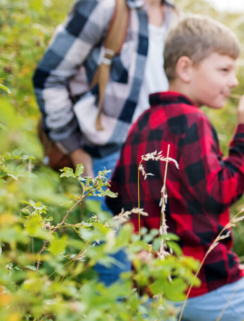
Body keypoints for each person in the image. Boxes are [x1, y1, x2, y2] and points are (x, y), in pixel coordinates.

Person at [105, 15, 244, 321]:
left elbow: (114, 198)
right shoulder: (193, 121)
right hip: (205, 280)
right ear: (185, 69)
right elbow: (219, 193)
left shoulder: (142, 122)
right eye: (224, 70)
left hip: (154, 283)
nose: (233, 82)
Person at [33, 0, 178, 287]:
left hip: (162, 158)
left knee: (158, 272)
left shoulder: (172, 13)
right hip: (111, 155)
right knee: (116, 269)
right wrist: (75, 150)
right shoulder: (105, 6)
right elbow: (48, 78)